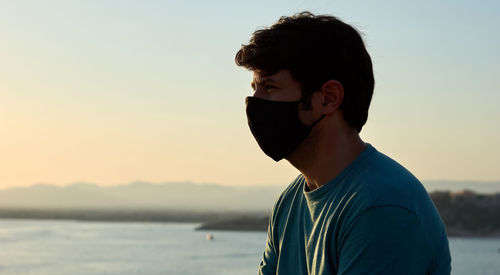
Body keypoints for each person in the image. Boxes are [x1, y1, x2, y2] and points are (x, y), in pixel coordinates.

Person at [235, 12, 451, 274]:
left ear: (328, 98)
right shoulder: (289, 202)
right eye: (254, 87)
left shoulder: (382, 207)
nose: (254, 102)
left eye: (269, 87)